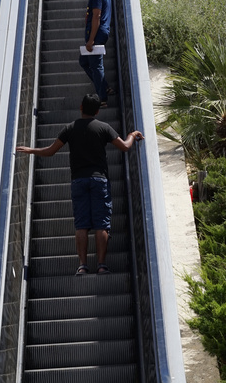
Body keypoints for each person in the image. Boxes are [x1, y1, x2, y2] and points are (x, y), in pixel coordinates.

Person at [16, 93, 143, 275]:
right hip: (99, 180)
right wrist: (132, 135)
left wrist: (30, 150)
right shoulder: (104, 128)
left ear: (81, 107)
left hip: (78, 181)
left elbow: (50, 151)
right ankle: (101, 265)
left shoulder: (70, 128)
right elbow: (124, 146)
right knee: (101, 223)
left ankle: (82, 265)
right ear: (98, 111)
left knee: (81, 224)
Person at [79, 0, 112, 104]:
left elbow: (96, 17)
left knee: (96, 66)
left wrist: (91, 40)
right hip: (100, 33)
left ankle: (102, 98)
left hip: (97, 34)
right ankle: (105, 87)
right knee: (84, 61)